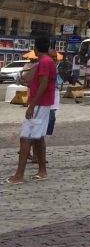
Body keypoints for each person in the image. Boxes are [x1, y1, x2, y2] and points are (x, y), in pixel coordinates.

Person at [6, 36, 57, 184]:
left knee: (25, 138)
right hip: (44, 103)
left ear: (35, 49)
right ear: (47, 48)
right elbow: (41, 82)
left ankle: (19, 175)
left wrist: (32, 105)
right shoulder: (47, 62)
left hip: (39, 104)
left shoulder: (45, 62)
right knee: (39, 138)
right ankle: (42, 171)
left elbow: (43, 84)